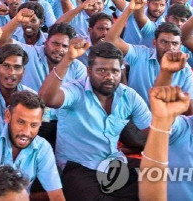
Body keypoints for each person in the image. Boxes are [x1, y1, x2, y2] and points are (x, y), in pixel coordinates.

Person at [39, 40, 151, 199]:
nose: (109, 77)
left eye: (115, 71)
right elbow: (47, 99)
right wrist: (67, 60)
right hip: (78, 167)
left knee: (159, 179)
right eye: (102, 71)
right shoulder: (75, 91)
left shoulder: (129, 96)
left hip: (114, 162)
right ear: (89, 71)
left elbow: (152, 132)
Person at [0, 25, 64, 200]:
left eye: (34, 125)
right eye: (21, 122)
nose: (26, 132)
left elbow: (57, 196)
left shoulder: (41, 148)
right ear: (7, 116)